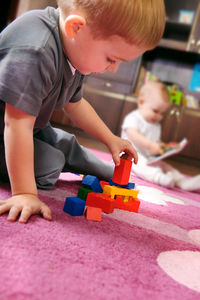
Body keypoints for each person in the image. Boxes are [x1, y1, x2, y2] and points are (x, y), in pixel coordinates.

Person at [0, 0, 166, 223]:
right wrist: (24, 193)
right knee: (52, 162)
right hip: (11, 131)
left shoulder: (74, 47)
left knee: (67, 143)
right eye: (111, 59)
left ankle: (111, 174)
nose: (113, 68)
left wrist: (110, 139)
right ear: (76, 28)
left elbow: (75, 103)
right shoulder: (36, 50)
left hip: (30, 127)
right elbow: (16, 124)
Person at [121, 81, 200, 191]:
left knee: (165, 166)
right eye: (155, 111)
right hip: (129, 156)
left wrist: (162, 147)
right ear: (141, 102)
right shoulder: (133, 118)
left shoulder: (156, 125)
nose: (159, 116)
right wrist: (150, 145)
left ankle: (182, 181)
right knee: (140, 166)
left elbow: (155, 141)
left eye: (162, 113)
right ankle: (159, 178)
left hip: (148, 157)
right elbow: (133, 135)